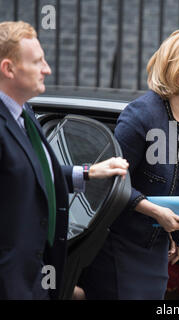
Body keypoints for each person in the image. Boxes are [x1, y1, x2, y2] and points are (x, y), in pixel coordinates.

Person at [78, 29, 179, 299]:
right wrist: (157, 213)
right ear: (173, 69)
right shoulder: (141, 115)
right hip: (121, 243)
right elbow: (113, 182)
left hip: (157, 243)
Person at [0, 21, 129, 300]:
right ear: (9, 69)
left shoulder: (24, 113)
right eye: (37, 62)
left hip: (35, 280)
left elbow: (33, 173)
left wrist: (90, 172)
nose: (47, 68)